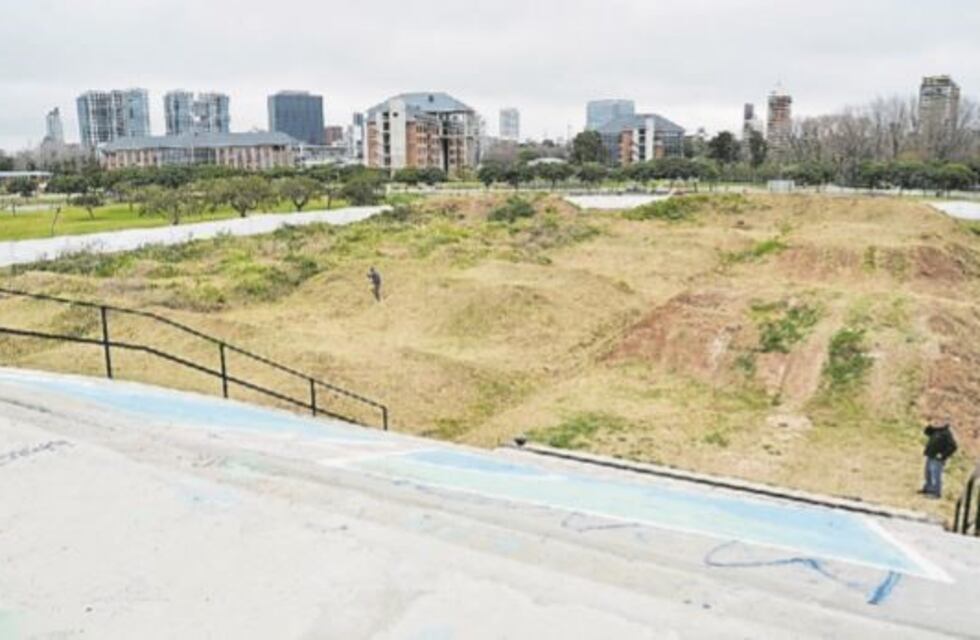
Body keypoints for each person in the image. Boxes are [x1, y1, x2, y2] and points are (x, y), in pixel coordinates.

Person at [921, 419, 957, 499]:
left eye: (941, 421)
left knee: (936, 475)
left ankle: (936, 493)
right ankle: (928, 488)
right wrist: (931, 425)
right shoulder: (936, 430)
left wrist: (943, 455)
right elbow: (926, 432)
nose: (938, 422)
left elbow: (953, 446)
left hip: (937, 458)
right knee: (928, 473)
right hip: (930, 455)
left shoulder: (947, 433)